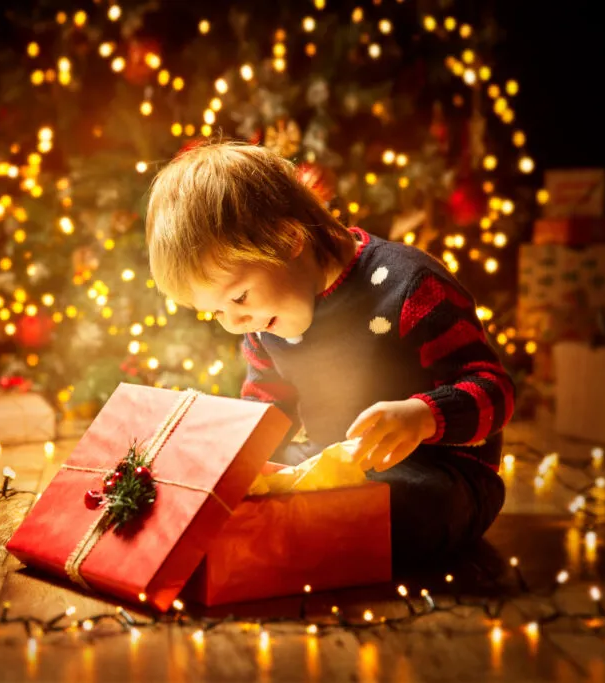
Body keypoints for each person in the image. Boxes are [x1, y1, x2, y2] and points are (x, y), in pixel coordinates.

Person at [145, 141, 515, 571]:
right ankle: (301, 531)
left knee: (399, 506)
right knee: (274, 488)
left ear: (288, 239)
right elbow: (267, 410)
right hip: (334, 464)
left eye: (239, 297)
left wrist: (424, 416)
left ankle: (306, 533)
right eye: (217, 312)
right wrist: (241, 468)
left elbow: (496, 390)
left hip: (443, 477)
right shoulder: (265, 327)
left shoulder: (409, 286)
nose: (234, 322)